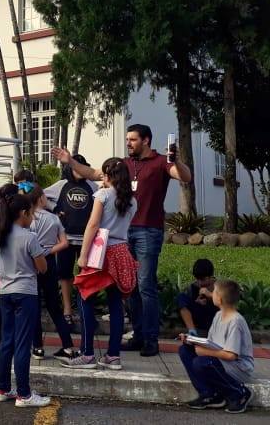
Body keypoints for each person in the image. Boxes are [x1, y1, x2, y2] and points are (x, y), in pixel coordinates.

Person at [53, 124, 192, 357]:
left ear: (146, 140)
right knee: (129, 287)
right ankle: (138, 335)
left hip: (148, 231)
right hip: (124, 234)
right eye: (127, 139)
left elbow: (185, 177)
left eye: (133, 139)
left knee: (146, 284)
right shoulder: (124, 164)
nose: (128, 143)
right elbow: (93, 173)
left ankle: (150, 339)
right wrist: (70, 161)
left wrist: (176, 159)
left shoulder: (161, 162)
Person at [61, 158, 138, 371]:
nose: (101, 177)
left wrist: (83, 255)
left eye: (104, 174)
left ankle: (87, 354)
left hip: (100, 252)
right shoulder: (132, 200)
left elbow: (93, 225)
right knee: (116, 304)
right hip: (121, 252)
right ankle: (113, 355)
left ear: (109, 176)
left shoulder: (102, 195)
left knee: (85, 297)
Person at [0, 192, 51, 408]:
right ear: (23, 213)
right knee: (23, 343)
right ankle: (24, 394)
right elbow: (42, 268)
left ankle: (3, 388)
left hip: (5, 292)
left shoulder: (1, 235)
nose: (33, 217)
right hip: (25, 293)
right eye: (31, 213)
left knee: (7, 341)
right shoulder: (29, 237)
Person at [177, 279, 255, 414]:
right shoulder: (218, 315)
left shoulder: (235, 321)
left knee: (202, 362)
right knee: (185, 350)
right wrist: (191, 341)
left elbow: (231, 355)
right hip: (220, 360)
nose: (211, 294)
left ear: (220, 298)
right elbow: (210, 343)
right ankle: (208, 393)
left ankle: (239, 393)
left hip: (238, 367)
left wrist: (203, 352)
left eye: (214, 292)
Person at [44, 155, 99, 328]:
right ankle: (67, 311)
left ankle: (86, 312)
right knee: (64, 275)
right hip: (66, 239)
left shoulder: (92, 186)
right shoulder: (61, 185)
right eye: (77, 166)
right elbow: (41, 195)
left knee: (86, 277)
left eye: (83, 166)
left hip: (87, 240)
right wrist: (55, 208)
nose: (81, 170)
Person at [25, 183, 75, 360]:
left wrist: (37, 252)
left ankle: (37, 347)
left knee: (34, 306)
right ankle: (68, 346)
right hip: (49, 263)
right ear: (40, 199)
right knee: (54, 306)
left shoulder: (27, 218)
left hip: (30, 263)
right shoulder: (54, 219)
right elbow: (65, 243)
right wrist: (48, 251)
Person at [178, 259, 219, 337]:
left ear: (210, 277)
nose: (200, 283)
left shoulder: (220, 286)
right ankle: (192, 331)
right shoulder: (192, 288)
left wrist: (210, 295)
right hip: (200, 320)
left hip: (215, 319)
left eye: (203, 279)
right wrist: (197, 302)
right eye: (197, 279)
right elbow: (185, 304)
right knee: (182, 297)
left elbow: (228, 302)